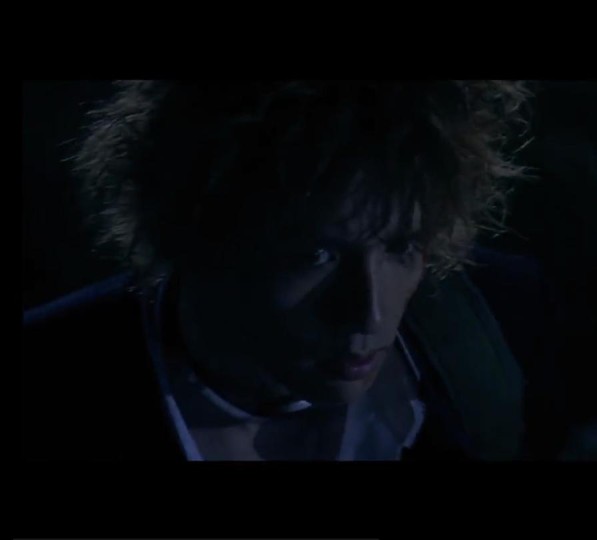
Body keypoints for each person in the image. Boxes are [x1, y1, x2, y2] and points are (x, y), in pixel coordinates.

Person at [21, 80, 565, 460]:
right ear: (200, 231)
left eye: (402, 246)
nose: (369, 313)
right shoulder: (48, 384)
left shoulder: (501, 320)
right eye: (315, 255)